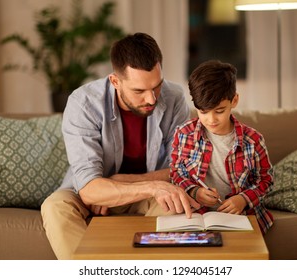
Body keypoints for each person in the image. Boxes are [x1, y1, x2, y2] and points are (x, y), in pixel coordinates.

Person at [41, 32, 200, 259]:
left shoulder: (174, 98)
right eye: (139, 91)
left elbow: (180, 171)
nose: (152, 99)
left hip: (140, 195)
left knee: (175, 204)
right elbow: (88, 189)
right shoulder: (83, 104)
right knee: (55, 207)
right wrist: (151, 186)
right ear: (115, 81)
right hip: (95, 194)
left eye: (156, 86)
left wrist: (118, 182)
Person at [169, 60, 274, 233]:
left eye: (219, 111)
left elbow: (266, 180)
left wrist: (243, 199)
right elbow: (176, 173)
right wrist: (195, 192)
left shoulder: (253, 140)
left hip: (241, 216)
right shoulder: (184, 134)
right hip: (197, 215)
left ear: (235, 100)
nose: (211, 120)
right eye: (203, 112)